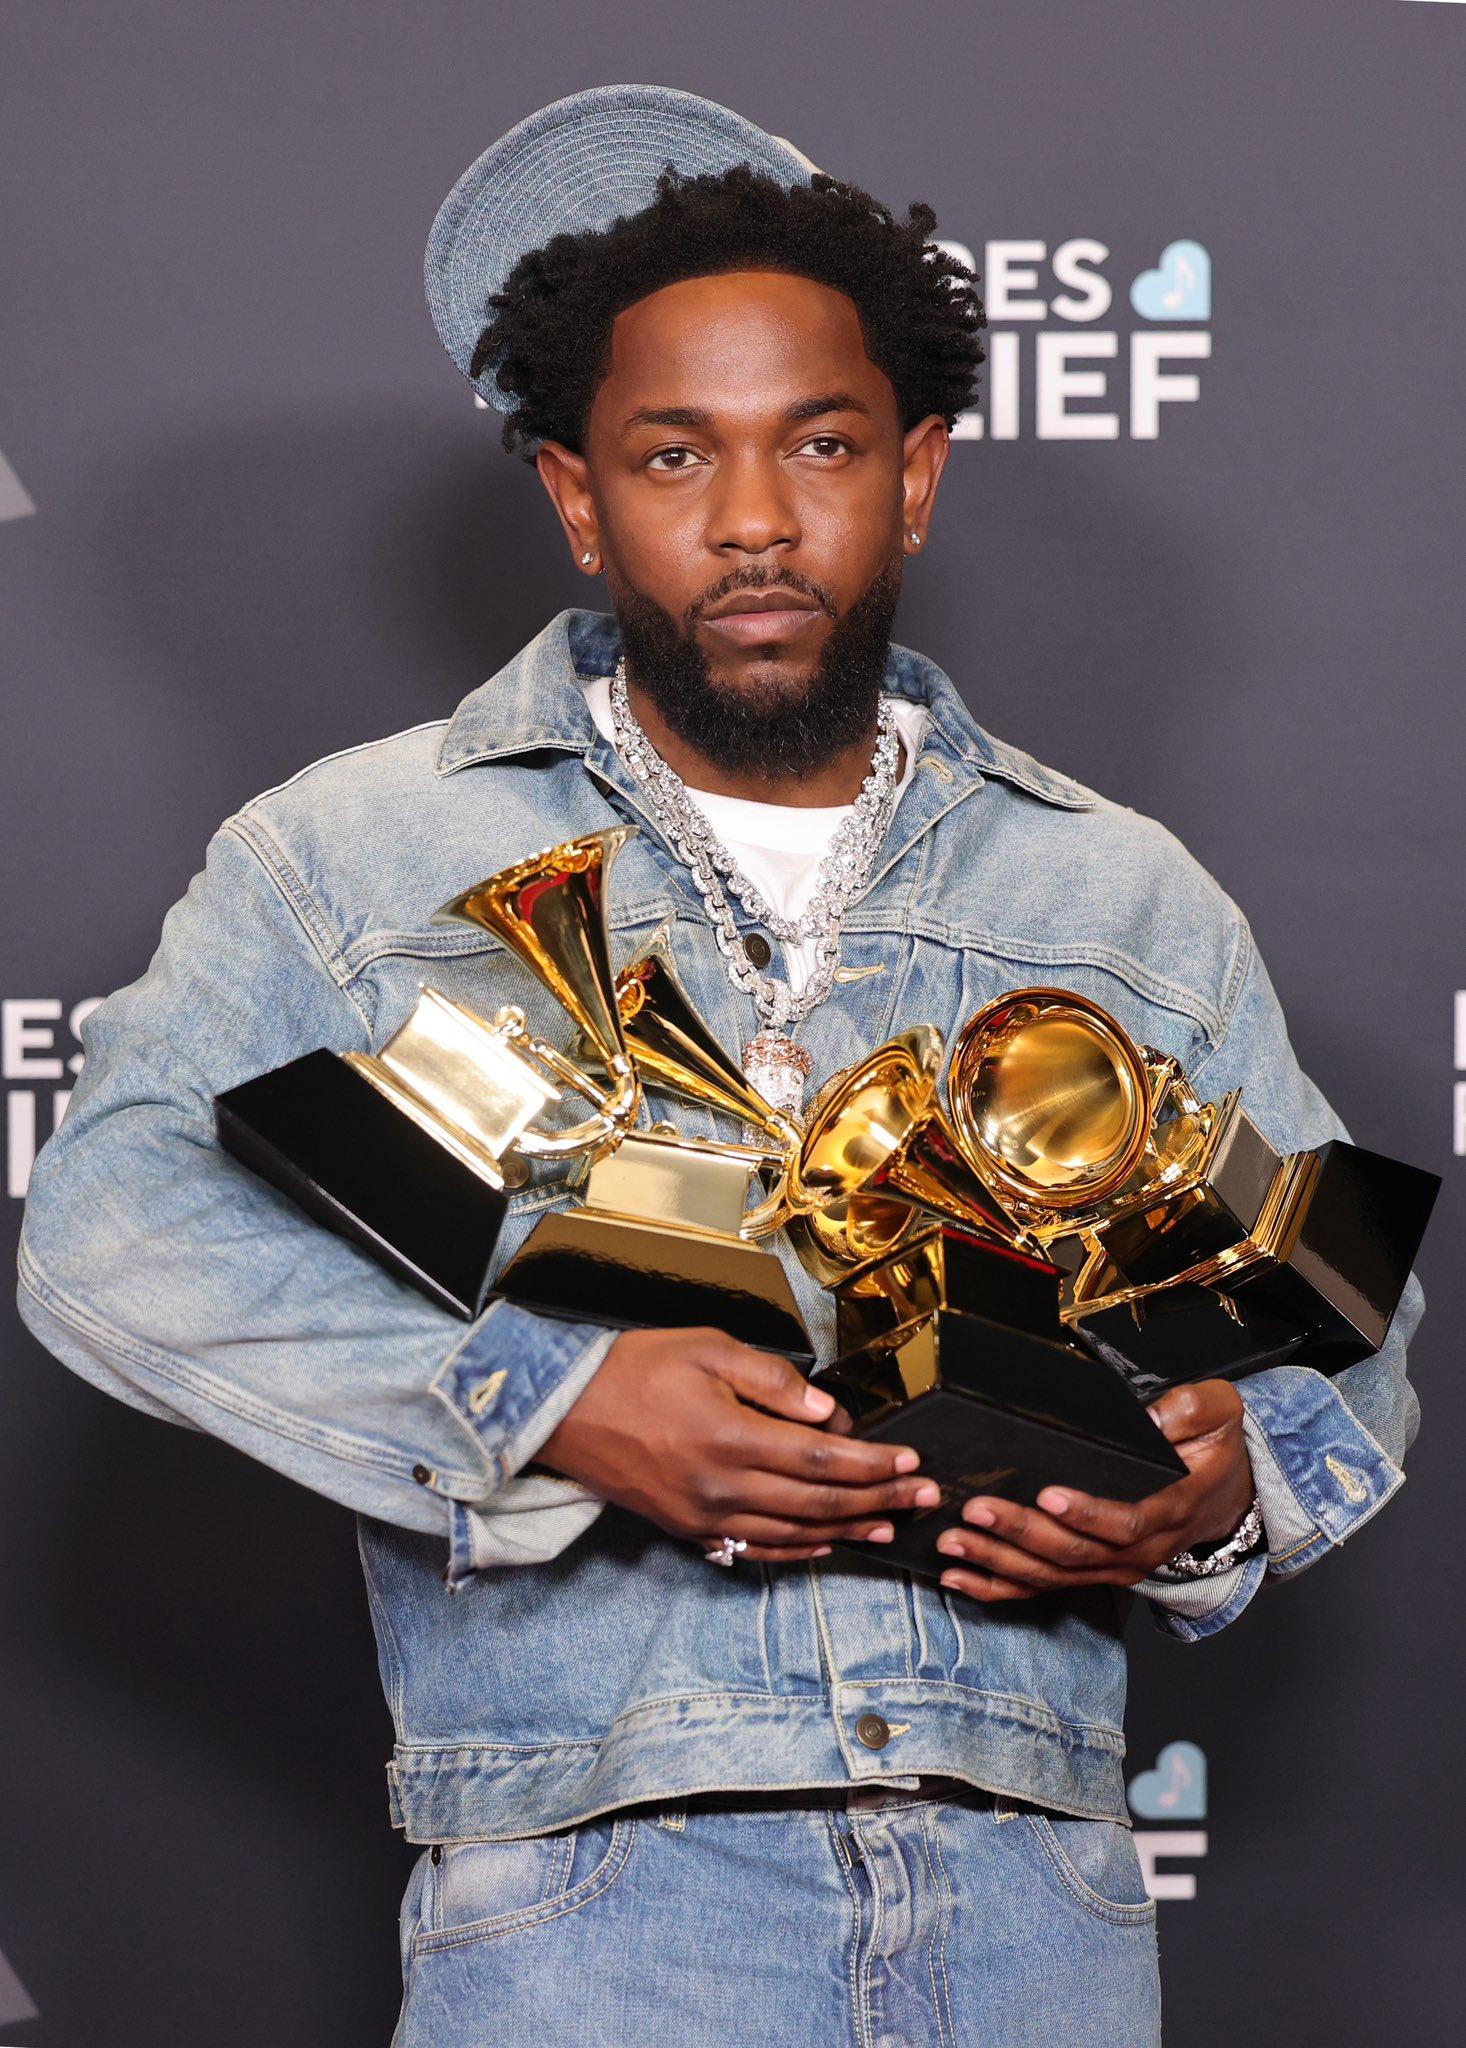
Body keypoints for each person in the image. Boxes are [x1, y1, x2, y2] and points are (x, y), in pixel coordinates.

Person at [16, 85, 1422, 2048]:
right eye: (674, 454)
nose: (754, 519)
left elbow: (1334, 1314)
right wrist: (548, 1400)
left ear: (914, 477)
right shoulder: (351, 859)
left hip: (1040, 1908)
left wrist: (1217, 1485)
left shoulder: (1117, 891)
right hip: (594, 1910)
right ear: (577, 497)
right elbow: (108, 1224)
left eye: (819, 445)